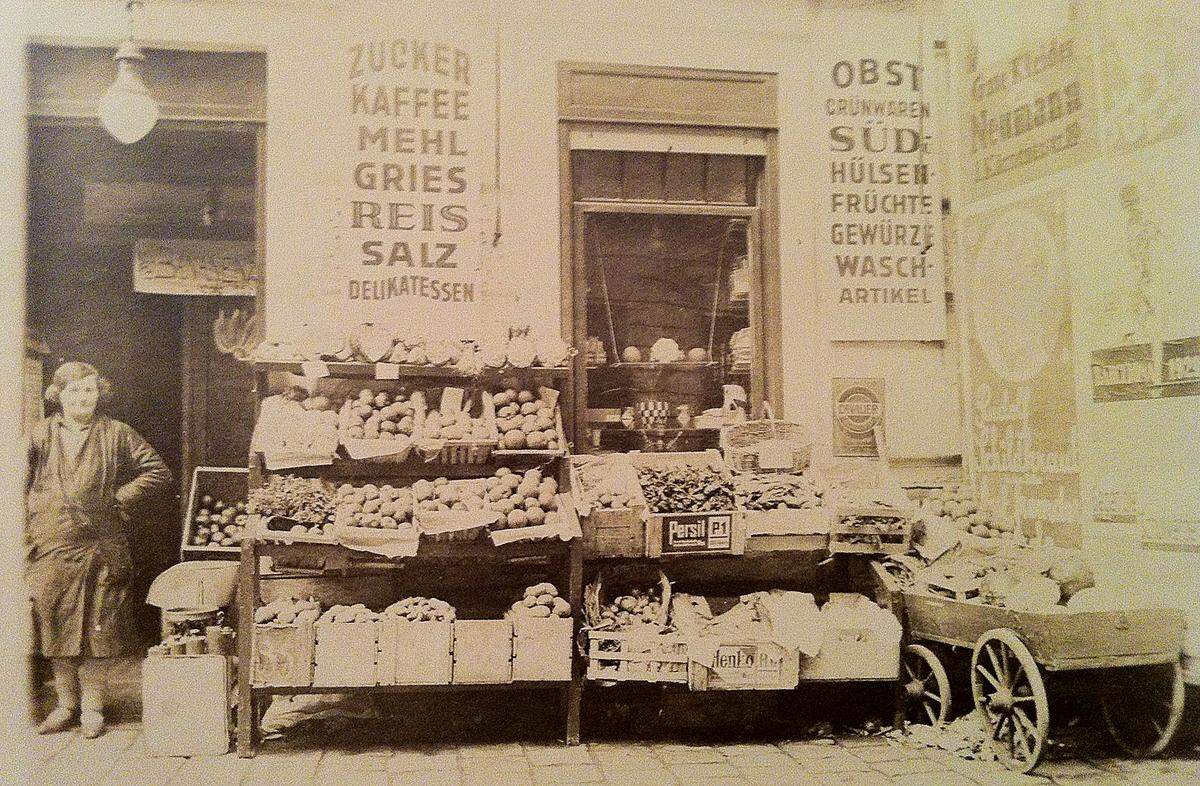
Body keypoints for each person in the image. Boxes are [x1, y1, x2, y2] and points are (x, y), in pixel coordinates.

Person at [26, 362, 171, 738]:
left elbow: (157, 470)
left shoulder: (116, 433)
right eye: (74, 391)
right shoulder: (39, 435)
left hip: (102, 546)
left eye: (89, 390)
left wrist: (120, 496)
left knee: (99, 630)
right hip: (51, 544)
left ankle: (92, 708)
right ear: (58, 395)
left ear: (98, 394)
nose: (83, 398)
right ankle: (65, 705)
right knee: (54, 624)